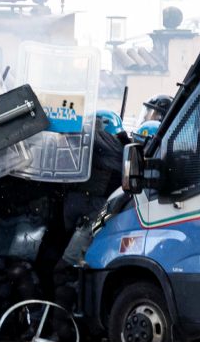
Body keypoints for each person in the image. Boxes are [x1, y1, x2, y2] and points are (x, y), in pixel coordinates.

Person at [50, 110, 131, 341]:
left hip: (95, 222)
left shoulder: (107, 148)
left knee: (65, 272)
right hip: (101, 224)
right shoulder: (124, 153)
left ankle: (65, 332)